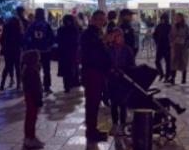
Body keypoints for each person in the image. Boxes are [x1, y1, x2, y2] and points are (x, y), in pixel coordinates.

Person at [80, 10, 112, 142]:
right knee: (92, 103)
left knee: (95, 102)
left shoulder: (97, 32)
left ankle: (93, 129)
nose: (100, 22)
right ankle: (91, 131)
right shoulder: (88, 33)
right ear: (92, 19)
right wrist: (103, 41)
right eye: (98, 19)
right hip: (92, 72)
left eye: (102, 19)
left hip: (98, 72)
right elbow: (90, 50)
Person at [107, 27, 135, 135]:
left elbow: (131, 64)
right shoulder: (109, 49)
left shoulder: (127, 49)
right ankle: (115, 124)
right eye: (115, 36)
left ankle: (122, 124)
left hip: (123, 79)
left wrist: (126, 72)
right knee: (114, 103)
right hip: (112, 79)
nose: (117, 38)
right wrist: (111, 70)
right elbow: (106, 63)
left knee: (123, 103)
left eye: (119, 35)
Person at [24, 8, 55, 95]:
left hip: (35, 52)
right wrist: (49, 45)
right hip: (45, 50)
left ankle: (37, 86)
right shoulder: (46, 24)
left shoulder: (32, 25)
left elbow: (27, 37)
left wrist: (31, 46)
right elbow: (52, 37)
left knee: (35, 69)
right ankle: (47, 87)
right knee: (46, 69)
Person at [22, 49, 45, 150]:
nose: (39, 60)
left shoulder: (29, 70)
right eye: (38, 58)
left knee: (31, 118)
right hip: (33, 97)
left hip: (31, 97)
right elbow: (35, 87)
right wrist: (38, 98)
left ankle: (31, 137)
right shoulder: (31, 71)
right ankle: (30, 138)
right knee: (31, 118)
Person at [56, 14, 80, 92]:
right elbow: (77, 41)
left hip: (63, 52)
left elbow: (57, 40)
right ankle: (73, 83)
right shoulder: (75, 29)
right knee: (73, 68)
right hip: (73, 52)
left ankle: (66, 85)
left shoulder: (60, 29)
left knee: (65, 69)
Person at [0, 16, 23, 90]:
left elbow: (2, 39)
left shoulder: (6, 28)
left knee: (7, 67)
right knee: (17, 67)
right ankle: (18, 84)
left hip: (8, 50)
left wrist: (4, 46)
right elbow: (21, 40)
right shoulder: (18, 29)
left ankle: (2, 83)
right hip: (16, 50)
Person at [169, 13, 189, 85]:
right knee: (173, 63)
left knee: (183, 63)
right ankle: (173, 78)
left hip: (183, 47)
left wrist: (186, 45)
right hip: (175, 47)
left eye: (178, 17)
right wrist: (172, 42)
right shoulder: (173, 26)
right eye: (176, 17)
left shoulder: (185, 27)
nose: (177, 19)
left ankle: (183, 79)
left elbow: (188, 37)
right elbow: (170, 36)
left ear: (182, 18)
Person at [153, 13, 172, 82]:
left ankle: (167, 76)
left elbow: (172, 36)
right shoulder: (159, 26)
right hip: (160, 46)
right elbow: (154, 35)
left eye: (164, 19)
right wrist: (157, 41)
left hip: (167, 46)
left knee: (168, 62)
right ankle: (161, 73)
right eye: (162, 19)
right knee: (157, 61)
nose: (162, 20)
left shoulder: (170, 26)